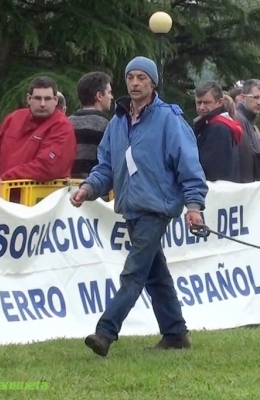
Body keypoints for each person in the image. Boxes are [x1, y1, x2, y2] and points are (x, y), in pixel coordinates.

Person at [70, 56, 208, 357]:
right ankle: (175, 334)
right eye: (130, 77)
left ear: (153, 82)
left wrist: (194, 205)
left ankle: (105, 332)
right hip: (130, 207)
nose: (134, 83)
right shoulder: (117, 122)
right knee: (155, 273)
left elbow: (189, 166)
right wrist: (88, 188)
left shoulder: (169, 119)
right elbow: (106, 165)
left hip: (156, 208)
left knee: (134, 273)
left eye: (141, 78)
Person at [0, 76, 77, 195]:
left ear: (55, 100)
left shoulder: (62, 126)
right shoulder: (13, 119)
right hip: (2, 198)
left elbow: (47, 167)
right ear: (29, 99)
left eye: (48, 99)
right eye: (38, 98)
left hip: (41, 203)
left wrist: (5, 179)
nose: (42, 104)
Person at [193, 80, 242, 182]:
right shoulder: (221, 125)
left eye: (206, 102)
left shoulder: (218, 129)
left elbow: (210, 171)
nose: (201, 107)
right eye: (199, 102)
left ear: (219, 102)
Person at [69, 71, 113, 179]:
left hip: (68, 186)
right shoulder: (108, 124)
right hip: (96, 187)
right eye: (109, 92)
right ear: (99, 96)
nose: (111, 97)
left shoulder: (67, 122)